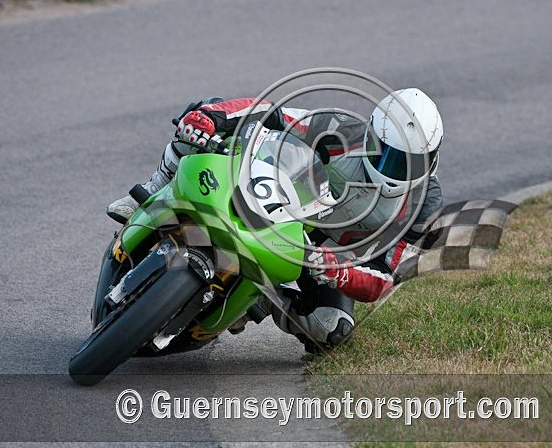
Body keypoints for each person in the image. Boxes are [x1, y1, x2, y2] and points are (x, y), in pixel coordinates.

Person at [106, 89, 445, 352]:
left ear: (433, 159)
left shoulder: (425, 208)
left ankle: (263, 297)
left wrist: (339, 270)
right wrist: (212, 118)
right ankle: (155, 187)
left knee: (332, 330)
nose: (393, 170)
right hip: (281, 200)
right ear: (371, 133)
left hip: (319, 256)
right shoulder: (340, 129)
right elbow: (271, 112)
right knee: (206, 110)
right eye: (386, 154)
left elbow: (388, 278)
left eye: (409, 163)